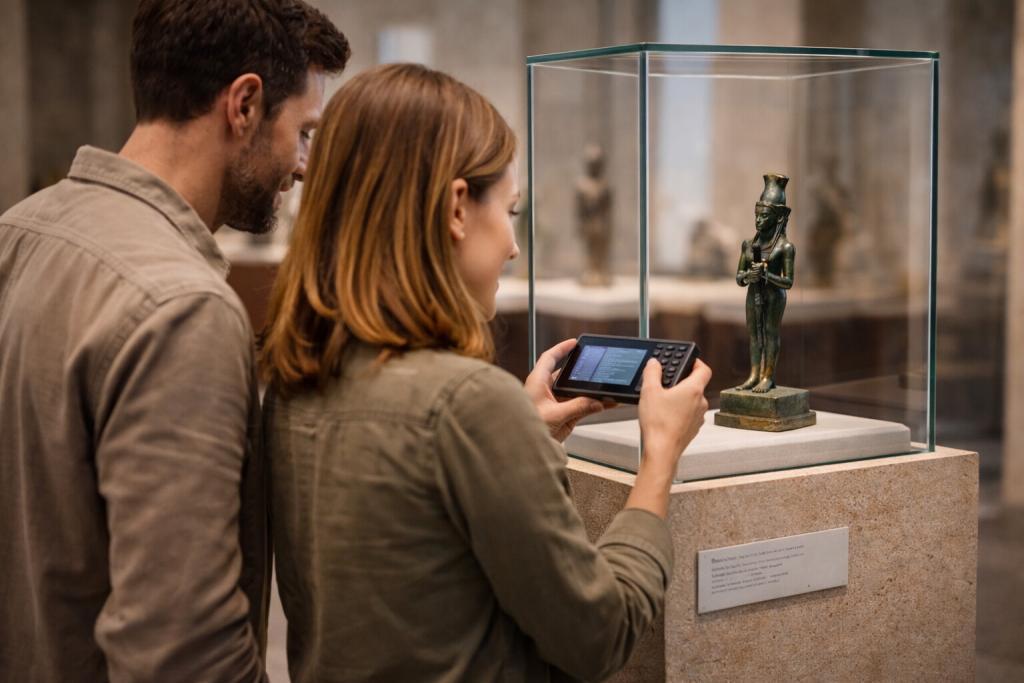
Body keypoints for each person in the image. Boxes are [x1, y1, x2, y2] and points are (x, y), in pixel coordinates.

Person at [260, 63, 711, 682]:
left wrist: (523, 432)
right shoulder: (468, 404)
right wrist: (659, 457)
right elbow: (599, 633)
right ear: (455, 208)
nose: (513, 246)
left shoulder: (292, 383)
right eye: (511, 209)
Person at [0, 2, 349, 681]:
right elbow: (182, 651)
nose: (303, 166)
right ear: (244, 104)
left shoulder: (16, 231)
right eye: (302, 133)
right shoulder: (183, 308)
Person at [735, 173, 796, 393]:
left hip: (773, 295)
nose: (758, 221)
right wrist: (747, 277)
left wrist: (767, 275)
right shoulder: (748, 245)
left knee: (770, 332)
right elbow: (739, 277)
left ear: (778, 218)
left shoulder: (785, 248)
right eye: (757, 215)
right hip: (754, 293)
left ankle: (767, 376)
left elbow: (788, 281)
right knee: (753, 333)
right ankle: (753, 374)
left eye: (764, 217)